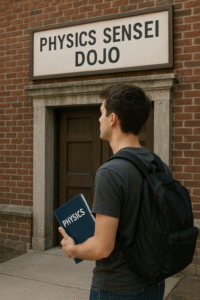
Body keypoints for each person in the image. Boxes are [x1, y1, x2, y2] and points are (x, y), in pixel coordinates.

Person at [59, 84, 173, 300]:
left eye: (102, 113)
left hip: (118, 289)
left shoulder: (111, 172)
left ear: (113, 119)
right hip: (154, 283)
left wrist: (73, 249)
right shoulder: (159, 165)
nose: (99, 119)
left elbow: (102, 248)